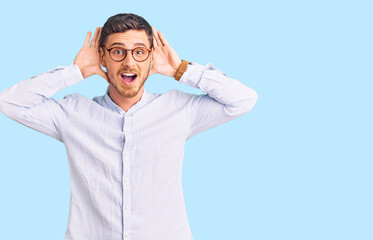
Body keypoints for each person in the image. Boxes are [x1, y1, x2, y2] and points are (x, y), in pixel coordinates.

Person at [0, 13, 257, 240]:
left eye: (139, 51)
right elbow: (10, 102)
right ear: (102, 56)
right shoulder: (72, 113)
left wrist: (181, 70)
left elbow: (243, 100)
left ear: (150, 57)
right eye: (117, 51)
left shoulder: (179, 110)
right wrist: (75, 71)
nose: (129, 62)